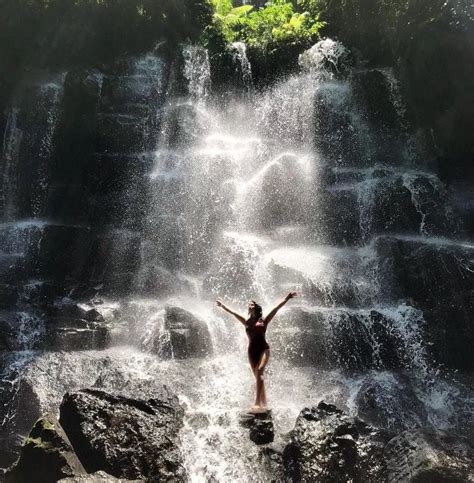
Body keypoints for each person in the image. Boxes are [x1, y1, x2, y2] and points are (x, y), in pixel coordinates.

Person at [216, 290, 298, 411]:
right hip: (251, 351)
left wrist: (287, 298)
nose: (250, 305)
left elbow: (276, 308)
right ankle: (264, 403)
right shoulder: (246, 321)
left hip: (264, 349)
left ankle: (257, 402)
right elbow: (233, 313)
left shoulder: (264, 320)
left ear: (256, 307)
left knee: (260, 370)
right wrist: (222, 306)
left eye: (252, 304)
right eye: (249, 304)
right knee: (258, 377)